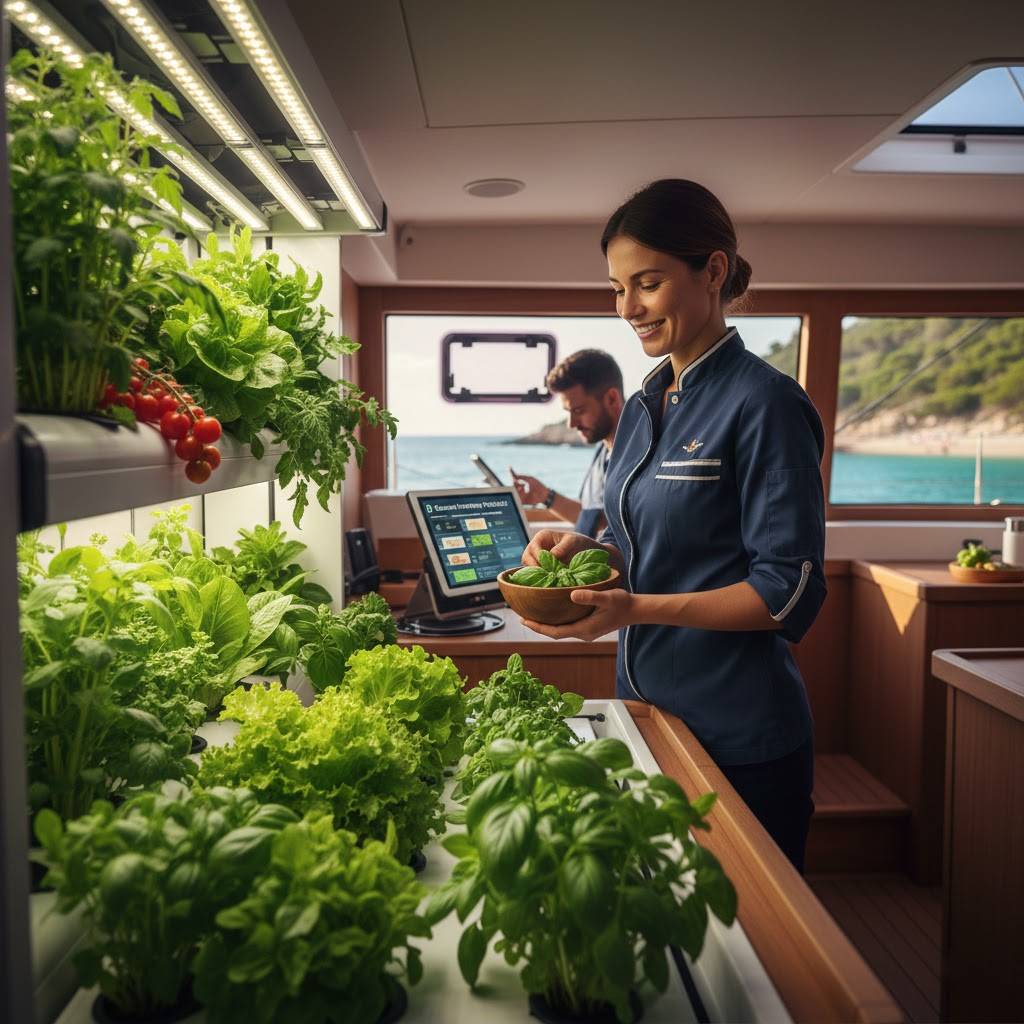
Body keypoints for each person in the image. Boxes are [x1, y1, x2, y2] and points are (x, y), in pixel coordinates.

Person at [520, 179, 827, 873]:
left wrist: (634, 610)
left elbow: (787, 590)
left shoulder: (767, 403)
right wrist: (587, 551)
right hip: (650, 718)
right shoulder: (643, 404)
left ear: (712, 271)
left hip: (739, 738)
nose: (627, 308)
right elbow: (645, 553)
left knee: (754, 960)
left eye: (647, 283)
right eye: (616, 288)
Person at [509, 349, 624, 538]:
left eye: (579, 410)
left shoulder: (644, 456)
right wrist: (544, 496)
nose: (571, 424)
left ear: (611, 399)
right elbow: (595, 519)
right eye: (568, 412)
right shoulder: (603, 448)